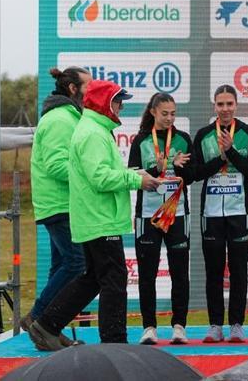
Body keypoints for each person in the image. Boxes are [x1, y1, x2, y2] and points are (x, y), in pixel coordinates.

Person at [27, 80, 161, 351]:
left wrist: (134, 175)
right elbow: (100, 177)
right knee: (113, 279)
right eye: (118, 100)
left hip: (95, 217)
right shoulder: (93, 133)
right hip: (99, 218)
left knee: (92, 279)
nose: (122, 105)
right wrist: (136, 180)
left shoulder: (93, 129)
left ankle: (48, 324)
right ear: (104, 103)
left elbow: (99, 173)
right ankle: (114, 342)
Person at [189, 84, 248, 344]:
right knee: (214, 270)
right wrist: (219, 159)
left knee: (239, 269)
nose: (225, 109)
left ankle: (236, 325)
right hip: (211, 213)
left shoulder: (247, 133)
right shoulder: (203, 135)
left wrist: (230, 152)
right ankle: (215, 325)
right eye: (220, 104)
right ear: (214, 106)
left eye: (229, 104)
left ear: (236, 105)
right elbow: (194, 174)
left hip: (239, 211)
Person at [26, 67, 91, 342]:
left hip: (62, 203)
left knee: (63, 265)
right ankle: (39, 319)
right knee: (78, 265)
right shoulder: (60, 119)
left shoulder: (68, 116)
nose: (93, 90)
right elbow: (55, 165)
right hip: (59, 204)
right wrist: (91, 176)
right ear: (73, 89)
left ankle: (50, 327)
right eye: (88, 85)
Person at [128, 93, 194, 345]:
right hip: (149, 215)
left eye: (173, 113)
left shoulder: (183, 139)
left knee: (179, 272)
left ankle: (179, 326)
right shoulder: (141, 140)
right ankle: (149, 327)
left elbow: (194, 174)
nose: (169, 118)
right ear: (153, 112)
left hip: (177, 213)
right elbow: (133, 174)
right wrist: (157, 168)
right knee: (147, 273)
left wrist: (178, 168)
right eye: (164, 113)